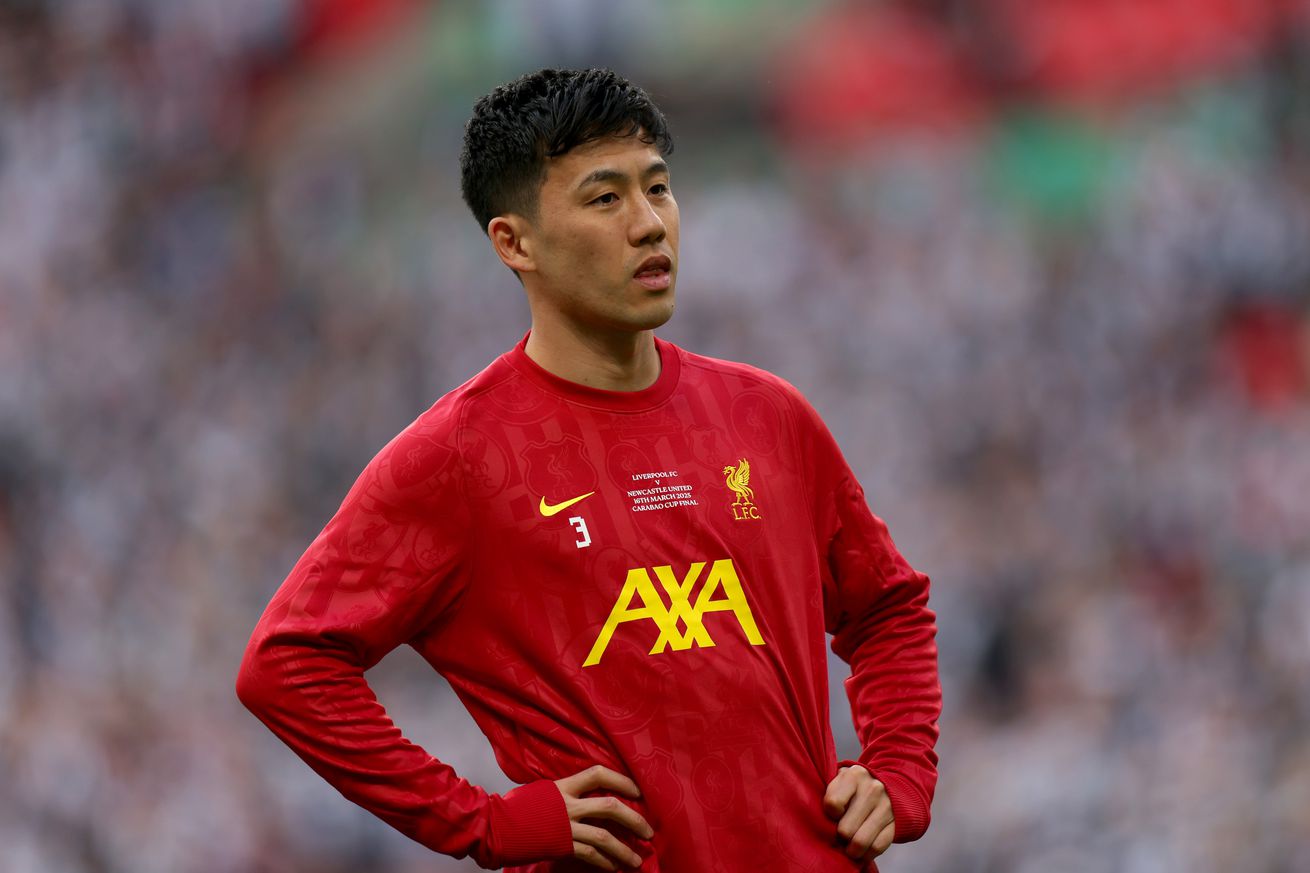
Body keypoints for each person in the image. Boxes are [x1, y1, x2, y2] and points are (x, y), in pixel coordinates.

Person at [237, 67, 941, 872]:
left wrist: (898, 773)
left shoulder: (767, 416)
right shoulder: (459, 457)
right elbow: (287, 666)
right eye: (605, 199)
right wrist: (483, 820)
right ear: (515, 241)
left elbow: (888, 606)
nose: (650, 225)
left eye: (659, 188)